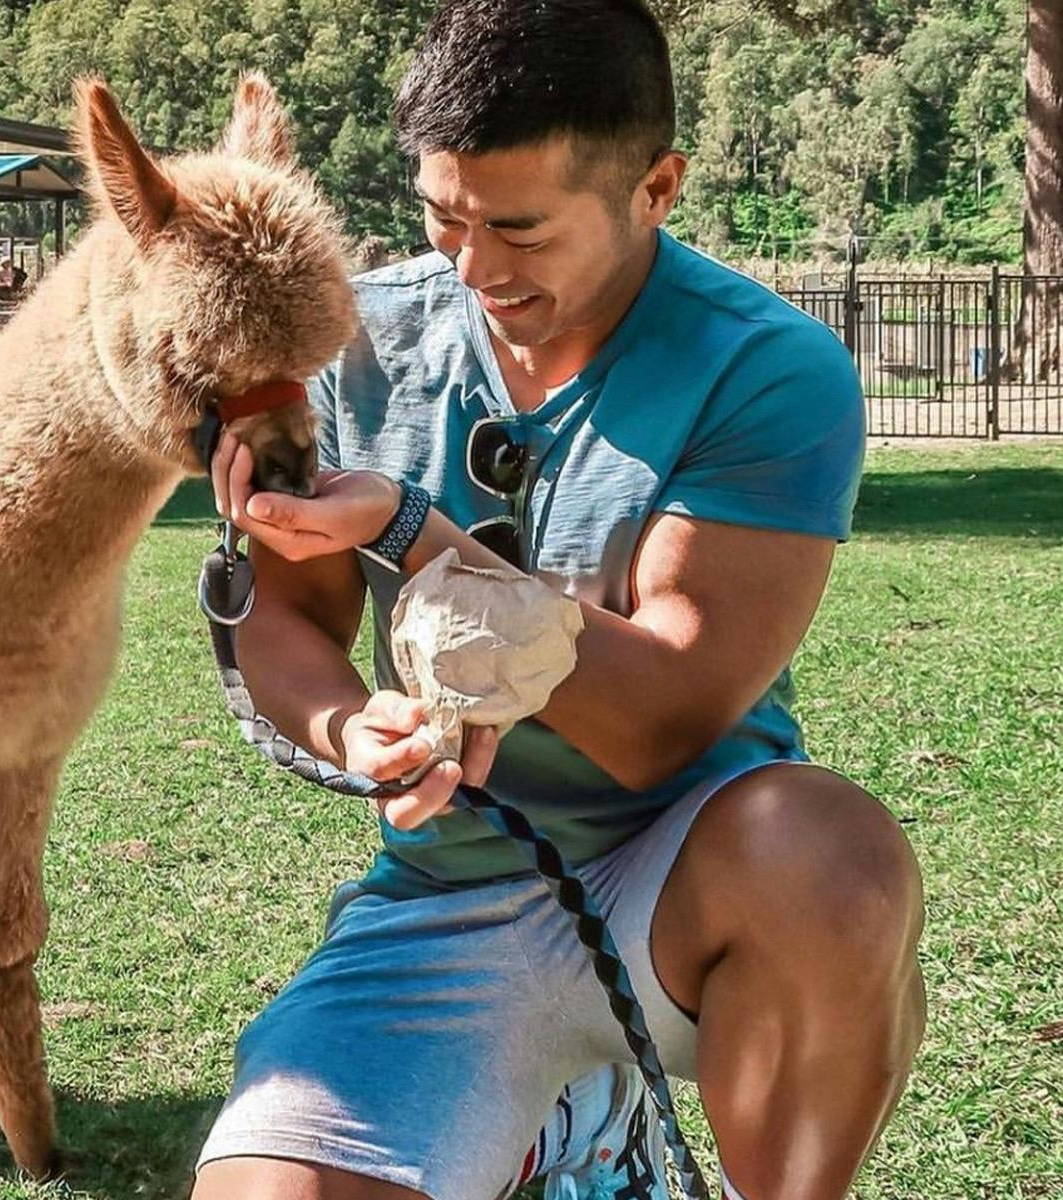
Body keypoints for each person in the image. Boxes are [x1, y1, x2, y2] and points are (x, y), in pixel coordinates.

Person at [194, 2, 926, 1199]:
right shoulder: (364, 338)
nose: (473, 267)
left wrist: (410, 529)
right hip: (450, 893)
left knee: (826, 849)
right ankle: (579, 1118)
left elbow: (663, 717)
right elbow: (281, 615)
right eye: (441, 217)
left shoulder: (766, 367)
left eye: (518, 229)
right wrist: (344, 725)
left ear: (657, 187)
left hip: (685, 886)